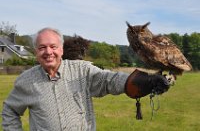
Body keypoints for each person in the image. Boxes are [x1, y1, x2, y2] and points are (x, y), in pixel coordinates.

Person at [1, 28, 170, 131]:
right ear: (36, 51)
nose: (48, 52)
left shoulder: (81, 70)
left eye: (53, 47)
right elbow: (10, 111)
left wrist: (139, 81)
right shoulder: (26, 80)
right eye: (42, 47)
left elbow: (107, 80)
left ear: (61, 49)